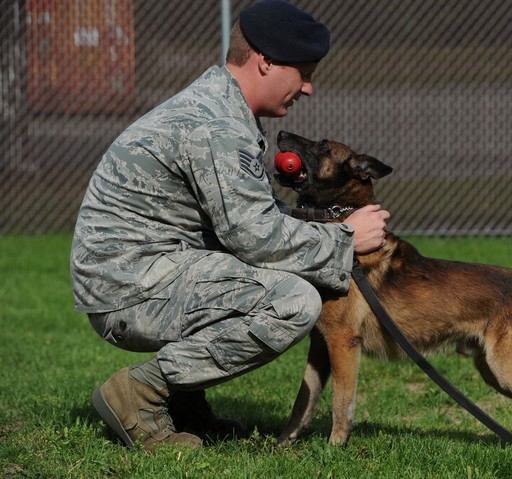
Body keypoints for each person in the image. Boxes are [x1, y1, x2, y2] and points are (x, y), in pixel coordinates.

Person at [71, 0, 389, 450]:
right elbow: (254, 237)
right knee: (293, 301)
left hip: (138, 273)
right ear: (266, 62)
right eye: (304, 72)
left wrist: (335, 233)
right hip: (127, 288)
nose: (309, 87)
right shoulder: (217, 126)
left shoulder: (221, 109)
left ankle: (183, 405)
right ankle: (138, 394)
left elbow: (254, 218)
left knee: (264, 277)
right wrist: (346, 240)